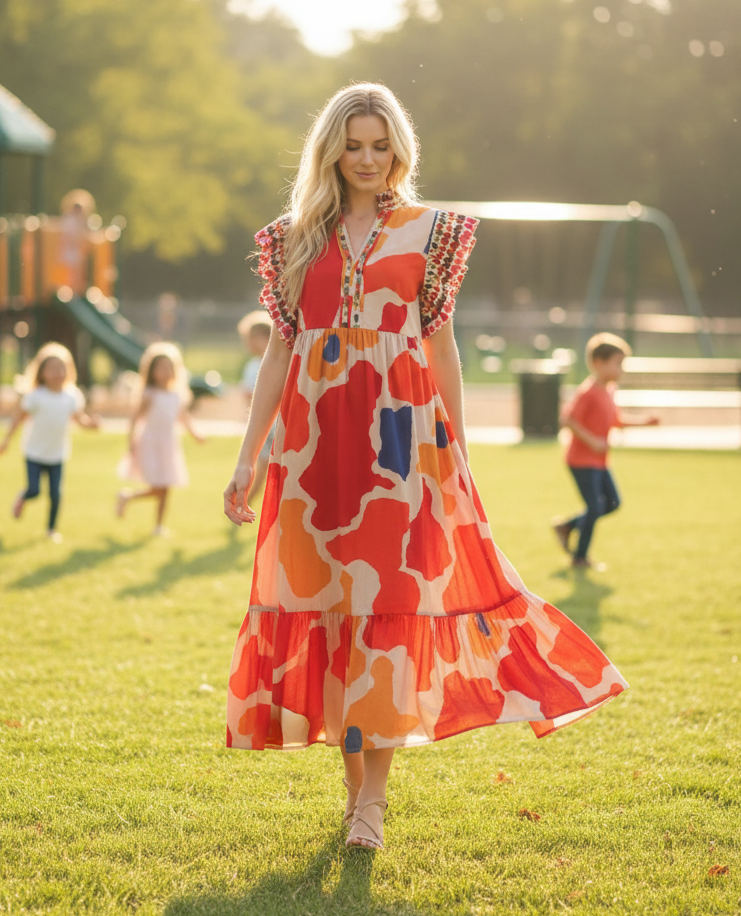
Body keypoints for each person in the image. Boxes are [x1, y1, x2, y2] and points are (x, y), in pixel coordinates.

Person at [223, 83, 629, 852]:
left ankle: (371, 802)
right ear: (331, 150)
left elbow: (439, 343)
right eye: (355, 145)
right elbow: (281, 349)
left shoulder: (431, 233)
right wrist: (248, 458)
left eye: (382, 145)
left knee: (387, 616)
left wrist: (461, 454)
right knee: (334, 618)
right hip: (311, 453)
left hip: (401, 447)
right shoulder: (290, 239)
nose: (370, 159)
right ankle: (353, 797)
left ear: (400, 149)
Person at [553, 333, 659, 568]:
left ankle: (567, 526)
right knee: (595, 507)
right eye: (617, 364)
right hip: (581, 460)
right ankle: (580, 558)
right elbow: (567, 419)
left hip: (599, 461)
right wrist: (591, 441)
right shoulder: (588, 391)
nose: (621, 370)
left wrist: (644, 422)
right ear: (599, 363)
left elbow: (615, 420)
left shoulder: (610, 390)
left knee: (612, 503)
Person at [0, 342, 98, 541]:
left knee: (55, 494)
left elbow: (80, 420)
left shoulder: (72, 396)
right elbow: (18, 418)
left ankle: (51, 530)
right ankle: (22, 497)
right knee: (34, 490)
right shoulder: (35, 397)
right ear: (42, 372)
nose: (57, 373)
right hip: (34, 452)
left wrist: (91, 425)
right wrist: (6, 441)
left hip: (57, 453)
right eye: (52, 368)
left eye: (61, 368)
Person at [116, 342, 204, 536]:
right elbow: (135, 419)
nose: (165, 372)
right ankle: (127, 496)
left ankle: (158, 526)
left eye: (169, 367)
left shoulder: (177, 395)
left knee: (166, 487)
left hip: (169, 444)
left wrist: (195, 433)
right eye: (160, 368)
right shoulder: (149, 394)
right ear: (151, 371)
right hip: (151, 443)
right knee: (158, 486)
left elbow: (183, 417)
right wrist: (130, 441)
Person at [237, 310, 274, 503]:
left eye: (250, 339)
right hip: (264, 425)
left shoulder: (277, 364)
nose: (248, 345)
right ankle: (244, 501)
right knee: (261, 463)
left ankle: (244, 501)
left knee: (266, 464)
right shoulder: (252, 365)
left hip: (276, 424)